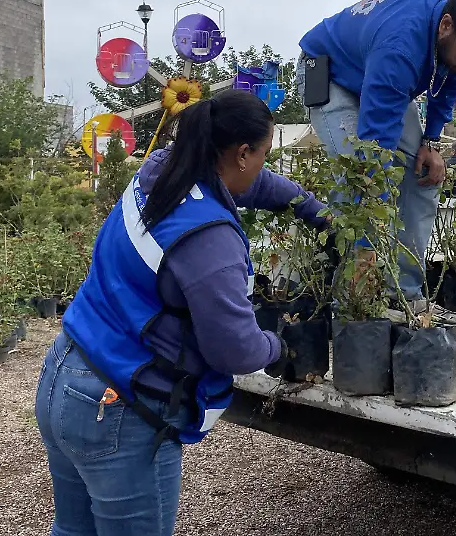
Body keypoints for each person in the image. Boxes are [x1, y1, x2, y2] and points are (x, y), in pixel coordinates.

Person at [35, 89, 328, 536]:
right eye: (264, 154)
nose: (264, 166)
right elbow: (235, 350)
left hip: (65, 374)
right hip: (122, 407)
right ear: (242, 153)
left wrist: (312, 209)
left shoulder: (164, 170)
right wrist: (278, 344)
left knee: (73, 530)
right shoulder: (210, 240)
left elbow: (257, 184)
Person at [295, 0, 456, 325]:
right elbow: (373, 153)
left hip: (377, 72)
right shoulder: (402, 45)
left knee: (425, 175)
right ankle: (353, 299)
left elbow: (449, 82)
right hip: (329, 73)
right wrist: (368, 241)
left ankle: (407, 294)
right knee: (356, 176)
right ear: (446, 26)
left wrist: (430, 142)